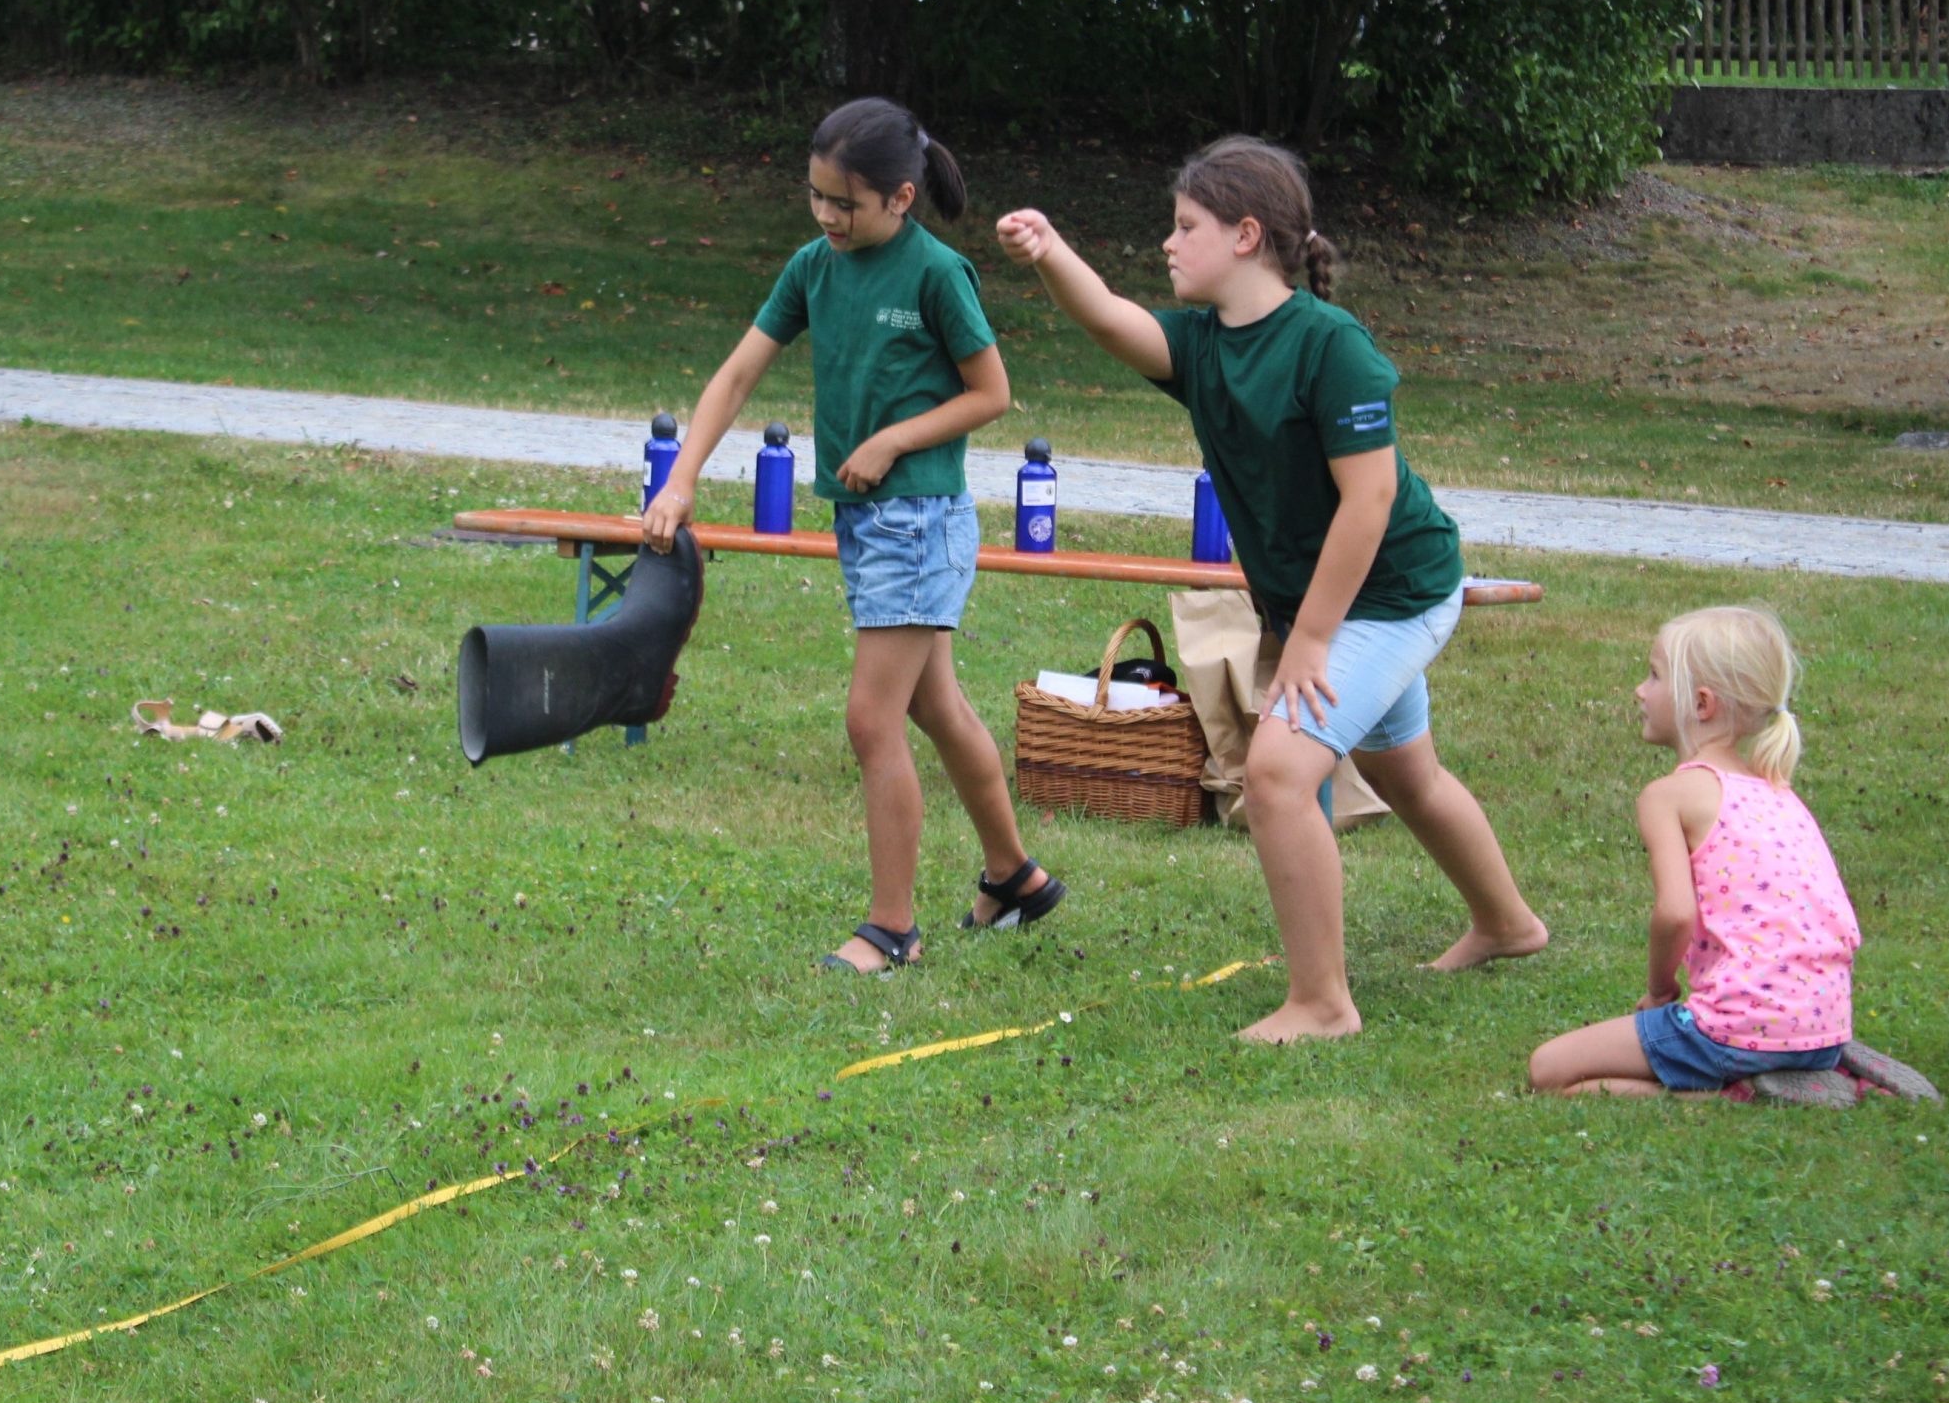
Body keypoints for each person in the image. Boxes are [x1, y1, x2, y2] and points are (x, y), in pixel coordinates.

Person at [996, 136, 1544, 1041]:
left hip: (1397, 591)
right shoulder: (1203, 344)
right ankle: (1509, 924)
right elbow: (1109, 319)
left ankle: (1322, 1003)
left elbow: (1369, 500)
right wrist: (1050, 250)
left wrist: (1311, 639)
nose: (1168, 243)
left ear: (1246, 235)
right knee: (1405, 773)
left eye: (1186, 226)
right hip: (1329, 602)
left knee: (1279, 773)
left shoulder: (1332, 346)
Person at [640, 97, 1060, 973]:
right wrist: (681, 480)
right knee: (935, 707)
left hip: (919, 517)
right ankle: (1015, 876)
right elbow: (739, 373)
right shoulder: (813, 267)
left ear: (900, 198)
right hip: (866, 521)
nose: (827, 216)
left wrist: (894, 439)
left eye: (846, 203)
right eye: (816, 196)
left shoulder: (936, 273)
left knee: (872, 720)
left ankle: (892, 928)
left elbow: (991, 393)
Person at [1527, 607, 1867, 1099]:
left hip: (1735, 1028)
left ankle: (1728, 1094)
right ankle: (1803, 1071)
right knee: (1580, 1079)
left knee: (1549, 1072)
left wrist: (1659, 990)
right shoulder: (1779, 792)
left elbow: (1675, 913)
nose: (1640, 690)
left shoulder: (1669, 795)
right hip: (1826, 1028)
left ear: (1702, 703)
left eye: (1654, 675)